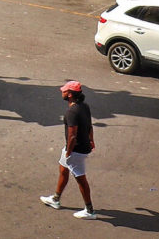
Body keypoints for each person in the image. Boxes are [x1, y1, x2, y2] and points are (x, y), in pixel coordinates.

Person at [40, 80, 96, 219]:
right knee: (63, 169)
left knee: (80, 178)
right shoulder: (84, 106)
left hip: (76, 150)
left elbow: (72, 136)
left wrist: (69, 152)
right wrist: (92, 140)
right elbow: (90, 126)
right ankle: (55, 199)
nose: (62, 92)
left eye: (64, 91)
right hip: (80, 146)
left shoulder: (72, 112)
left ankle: (89, 210)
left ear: (70, 95)